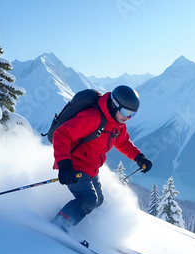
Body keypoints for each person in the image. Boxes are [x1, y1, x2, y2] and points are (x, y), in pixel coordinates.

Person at [51, 85, 152, 239]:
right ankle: (59, 225)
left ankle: (68, 217)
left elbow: (123, 143)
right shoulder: (93, 117)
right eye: (126, 112)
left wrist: (139, 157)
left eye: (133, 114)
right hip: (73, 165)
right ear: (114, 105)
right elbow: (61, 134)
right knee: (88, 199)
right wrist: (64, 165)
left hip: (91, 167)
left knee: (98, 201)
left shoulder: (118, 125)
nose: (128, 118)